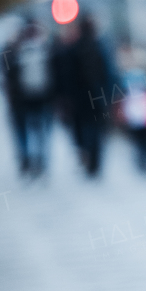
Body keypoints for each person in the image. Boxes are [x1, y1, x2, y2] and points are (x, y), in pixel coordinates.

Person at [61, 15, 115, 177]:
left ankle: (86, 157)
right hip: (98, 97)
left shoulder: (73, 49)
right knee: (98, 130)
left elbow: (67, 76)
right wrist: (111, 95)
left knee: (83, 129)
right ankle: (95, 163)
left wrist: (66, 97)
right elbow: (110, 73)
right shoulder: (101, 47)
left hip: (79, 98)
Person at [5, 19, 54, 177]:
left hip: (21, 99)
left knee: (24, 130)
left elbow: (7, 76)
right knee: (41, 131)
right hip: (43, 97)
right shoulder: (45, 49)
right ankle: (41, 160)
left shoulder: (15, 51)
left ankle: (26, 159)